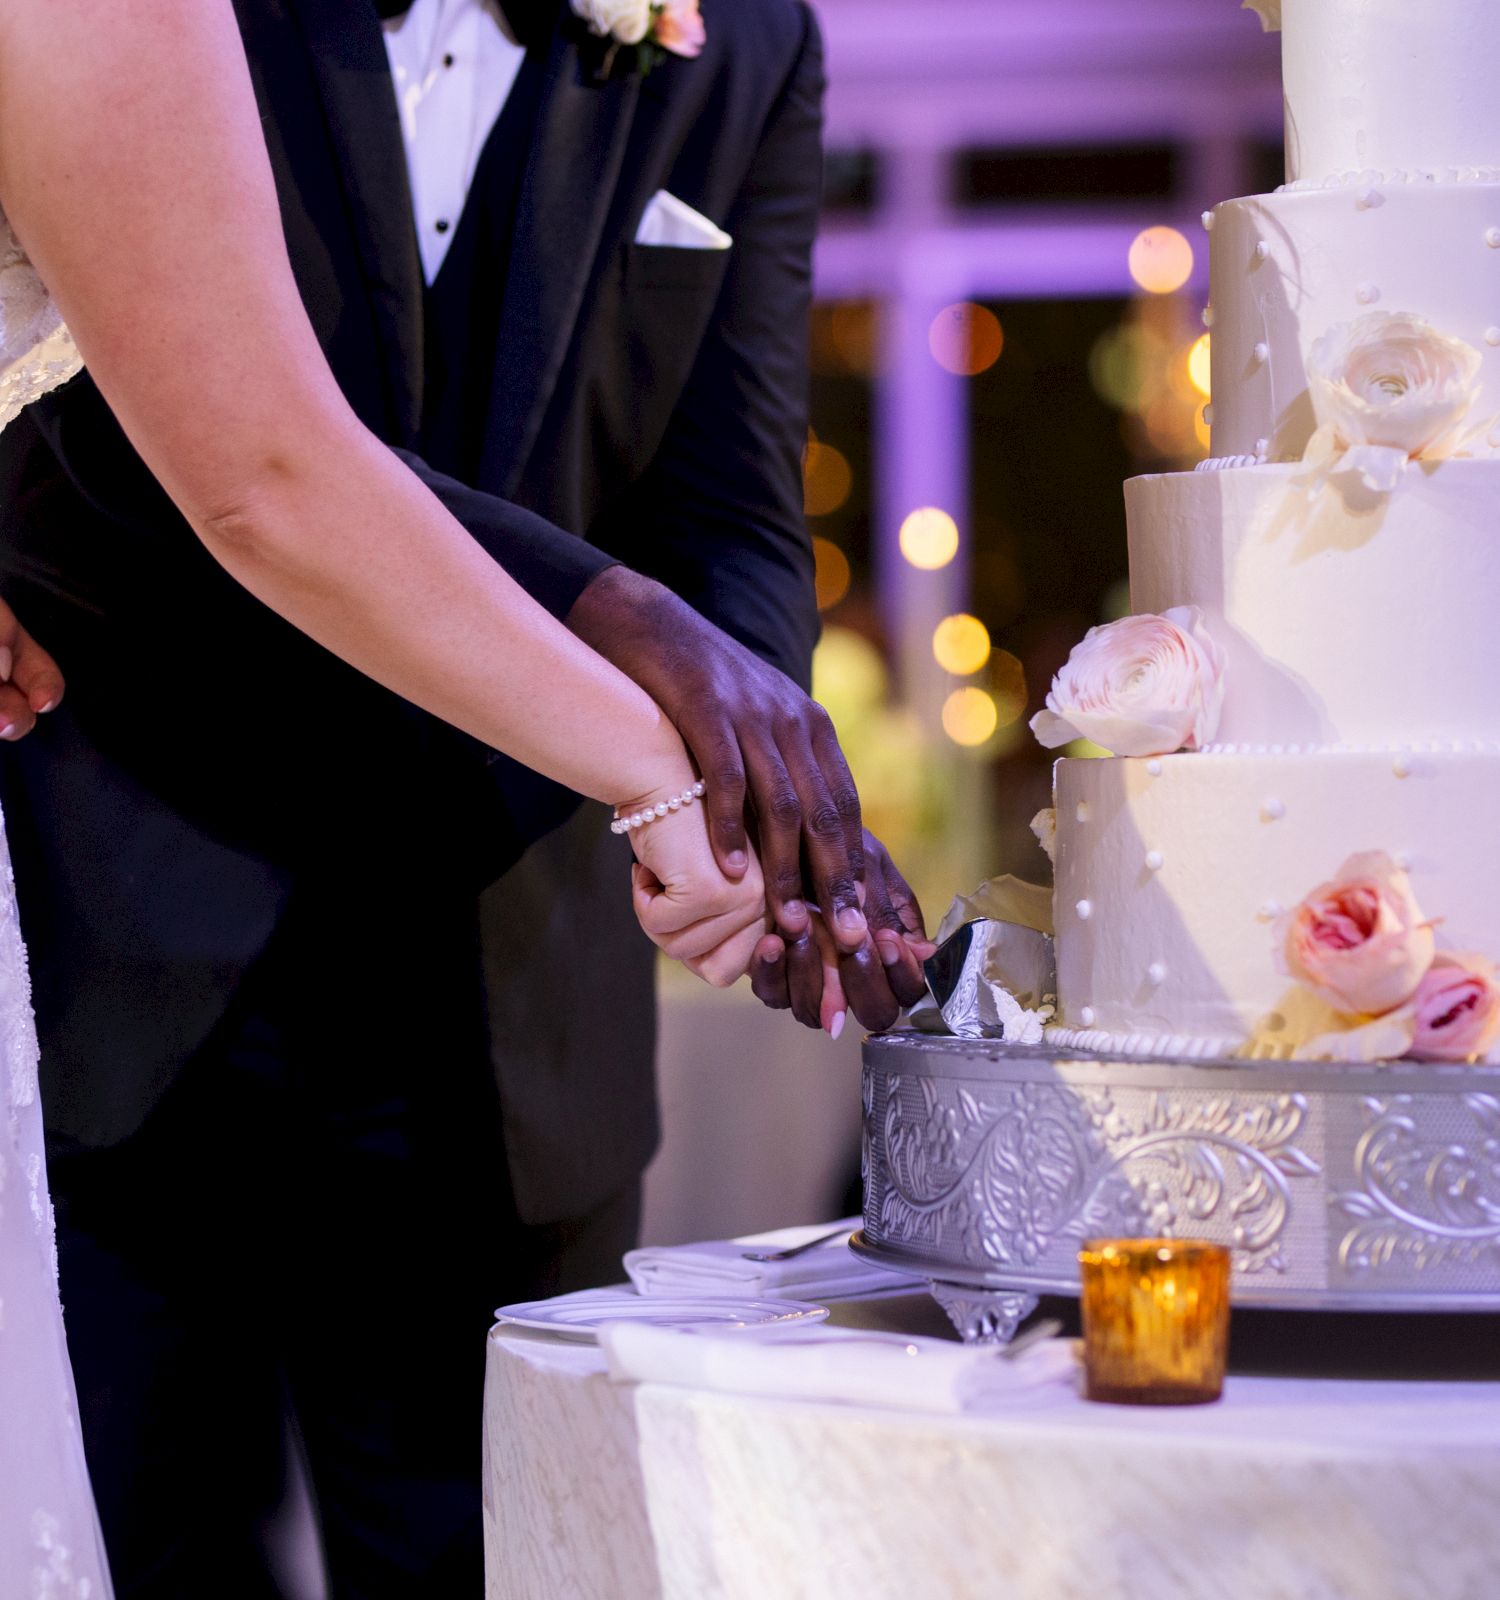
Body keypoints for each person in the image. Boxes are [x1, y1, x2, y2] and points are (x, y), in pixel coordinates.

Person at [0, 0, 932, 1594]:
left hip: (509, 994)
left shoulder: (753, 40)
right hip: (126, 935)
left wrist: (744, 791)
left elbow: (735, 511)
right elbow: (210, 444)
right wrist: (642, 664)